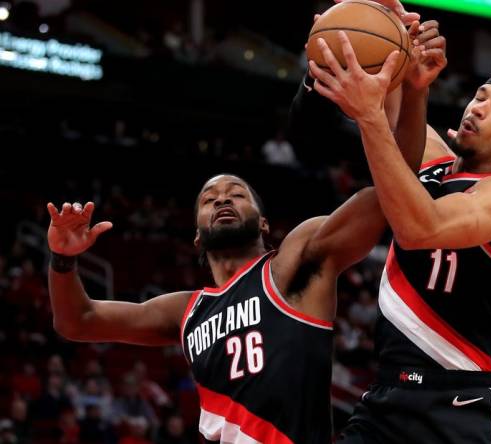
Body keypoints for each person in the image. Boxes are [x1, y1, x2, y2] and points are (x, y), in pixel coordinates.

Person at [46, 11, 446, 444]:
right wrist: (63, 260)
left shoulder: (295, 262)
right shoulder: (187, 310)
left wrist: (413, 89)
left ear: (264, 223)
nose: (222, 198)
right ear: (197, 235)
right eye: (209, 198)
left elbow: (394, 184)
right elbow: (78, 321)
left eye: (236, 194)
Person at [309, 30, 491, 442]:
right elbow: (396, 106)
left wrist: (369, 117)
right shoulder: (434, 163)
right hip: (385, 394)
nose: (479, 108)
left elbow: (421, 228)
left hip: (458, 406)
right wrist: (411, 68)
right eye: (480, 96)